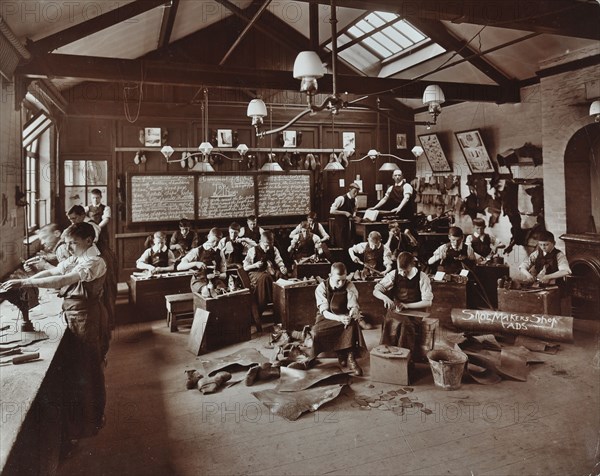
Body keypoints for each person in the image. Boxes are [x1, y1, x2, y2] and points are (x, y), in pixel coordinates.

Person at [3, 222, 109, 441]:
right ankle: (83, 419)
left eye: (73, 243)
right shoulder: (77, 257)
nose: (68, 248)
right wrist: (28, 279)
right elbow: (55, 271)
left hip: (87, 317)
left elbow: (64, 280)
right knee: (80, 368)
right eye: (68, 243)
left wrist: (25, 283)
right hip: (74, 313)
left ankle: (93, 420)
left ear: (89, 241)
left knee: (89, 367)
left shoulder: (94, 261)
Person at [373, 252, 433, 357]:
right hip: (398, 309)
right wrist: (385, 298)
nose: (402, 273)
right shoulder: (394, 274)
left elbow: (428, 302)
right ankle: (387, 356)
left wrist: (407, 306)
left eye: (405, 271)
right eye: (400, 270)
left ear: (412, 265)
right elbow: (376, 290)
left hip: (416, 311)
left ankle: (405, 357)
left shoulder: (422, 277)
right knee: (389, 320)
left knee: (405, 325)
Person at [312, 262, 367, 376]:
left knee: (353, 323)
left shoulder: (349, 285)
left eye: (343, 279)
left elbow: (353, 305)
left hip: (344, 316)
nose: (341, 283)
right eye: (338, 280)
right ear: (330, 275)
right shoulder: (322, 287)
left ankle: (350, 357)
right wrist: (339, 318)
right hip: (327, 317)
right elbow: (325, 312)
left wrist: (352, 312)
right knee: (316, 332)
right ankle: (340, 351)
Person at [243, 230, 287, 331]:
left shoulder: (274, 249)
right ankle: (261, 307)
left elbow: (279, 261)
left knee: (281, 276)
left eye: (270, 245)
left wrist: (282, 268)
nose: (268, 247)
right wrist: (255, 265)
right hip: (256, 273)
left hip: (270, 271)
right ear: (260, 242)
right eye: (266, 245)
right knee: (265, 278)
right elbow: (245, 267)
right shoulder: (253, 250)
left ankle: (281, 309)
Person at [178, 228, 227, 296]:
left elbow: (224, 275)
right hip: (199, 281)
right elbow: (179, 267)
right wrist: (195, 263)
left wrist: (219, 275)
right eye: (213, 241)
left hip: (214, 281)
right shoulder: (197, 251)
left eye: (217, 242)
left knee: (222, 292)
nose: (215, 244)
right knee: (206, 292)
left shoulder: (220, 253)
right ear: (208, 237)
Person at [330, 182, 360, 249]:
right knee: (341, 245)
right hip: (340, 226)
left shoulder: (355, 200)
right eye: (354, 192)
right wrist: (344, 213)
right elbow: (332, 211)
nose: (356, 194)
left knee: (350, 245)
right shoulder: (341, 199)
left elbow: (355, 210)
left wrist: (354, 216)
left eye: (357, 192)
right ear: (350, 189)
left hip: (349, 225)